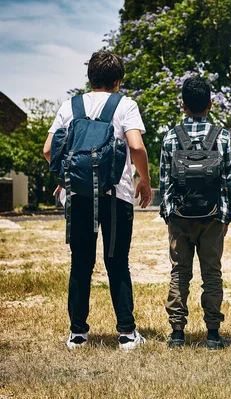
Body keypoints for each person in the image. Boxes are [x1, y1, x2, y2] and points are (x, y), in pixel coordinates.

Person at [43, 50, 152, 350]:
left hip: (78, 197)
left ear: (90, 77)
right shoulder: (125, 105)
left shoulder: (71, 105)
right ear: (118, 81)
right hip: (115, 196)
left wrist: (67, 178)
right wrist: (145, 180)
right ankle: (127, 334)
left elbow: (48, 149)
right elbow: (136, 147)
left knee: (80, 263)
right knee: (117, 262)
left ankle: (78, 334)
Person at [159, 75, 231, 350]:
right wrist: (227, 216)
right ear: (210, 104)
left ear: (183, 105)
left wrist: (168, 213)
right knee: (211, 274)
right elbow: (229, 181)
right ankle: (213, 335)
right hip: (213, 217)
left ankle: (177, 334)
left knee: (180, 272)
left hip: (180, 217)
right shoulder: (223, 137)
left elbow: (164, 181)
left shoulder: (170, 137)